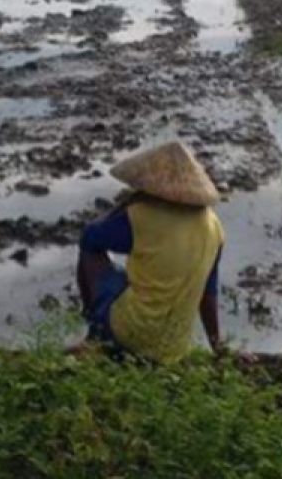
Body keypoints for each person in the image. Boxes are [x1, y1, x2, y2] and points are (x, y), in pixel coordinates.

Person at [77, 141, 224, 363]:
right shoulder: (215, 227)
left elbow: (89, 237)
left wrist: (123, 206)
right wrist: (217, 346)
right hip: (172, 350)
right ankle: (117, 339)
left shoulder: (141, 215)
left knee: (92, 254)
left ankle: (96, 334)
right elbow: (208, 293)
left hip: (131, 333)